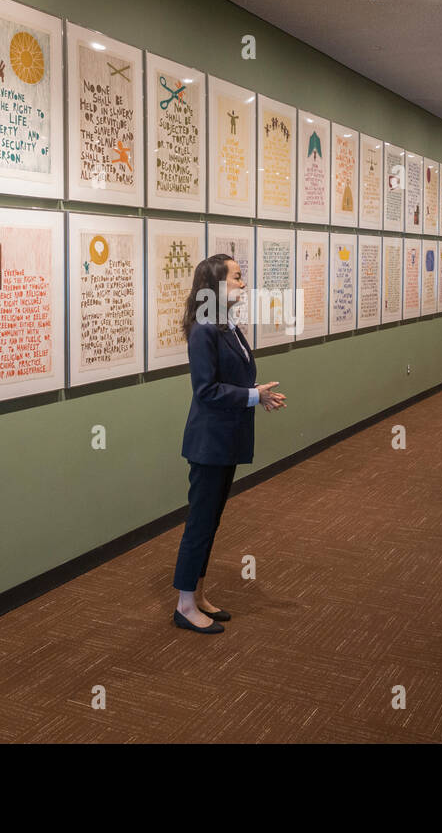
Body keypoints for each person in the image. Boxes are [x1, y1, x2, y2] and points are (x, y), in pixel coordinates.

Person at [173, 255, 285, 634]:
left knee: (212, 521)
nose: (243, 284)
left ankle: (197, 595)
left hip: (224, 441)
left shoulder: (225, 325)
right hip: (208, 443)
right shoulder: (205, 329)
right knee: (200, 524)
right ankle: (185, 605)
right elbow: (205, 390)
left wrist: (257, 395)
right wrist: (253, 396)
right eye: (237, 278)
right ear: (216, 285)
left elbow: (235, 379)